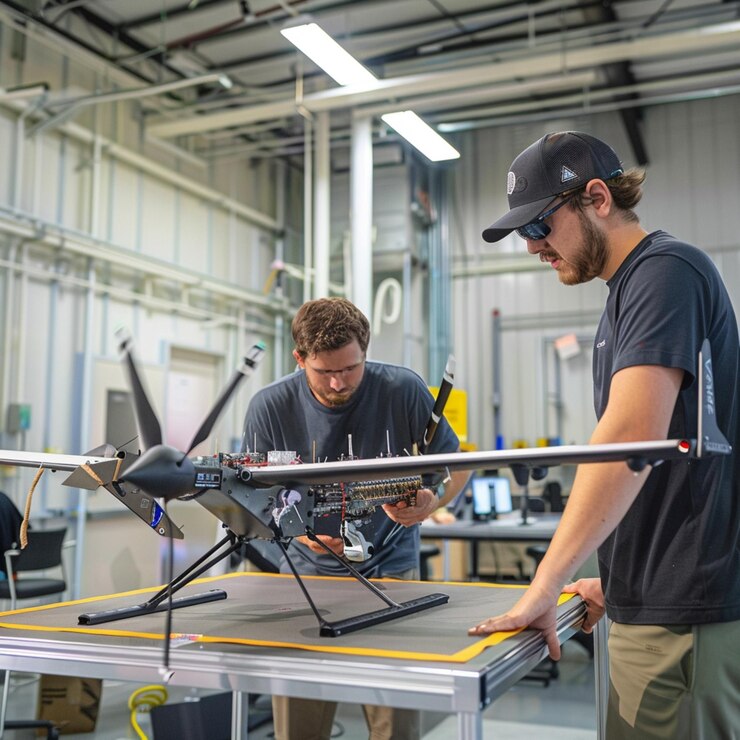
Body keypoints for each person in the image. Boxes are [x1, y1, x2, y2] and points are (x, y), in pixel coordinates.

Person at [474, 131, 739, 738]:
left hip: (685, 617)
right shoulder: (629, 292)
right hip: (656, 601)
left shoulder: (664, 272)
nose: (532, 246)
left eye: (538, 225)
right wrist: (618, 582)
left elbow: (629, 439)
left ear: (597, 198)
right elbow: (662, 466)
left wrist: (544, 585)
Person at [242, 296, 469, 740]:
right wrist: (302, 533)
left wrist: (432, 502)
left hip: (392, 569)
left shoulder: (403, 390)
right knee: (299, 723)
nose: (339, 383)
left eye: (350, 368)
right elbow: (250, 495)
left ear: (366, 350)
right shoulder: (270, 406)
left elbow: (455, 467)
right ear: (299, 358)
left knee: (395, 723)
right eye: (324, 371)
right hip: (305, 576)